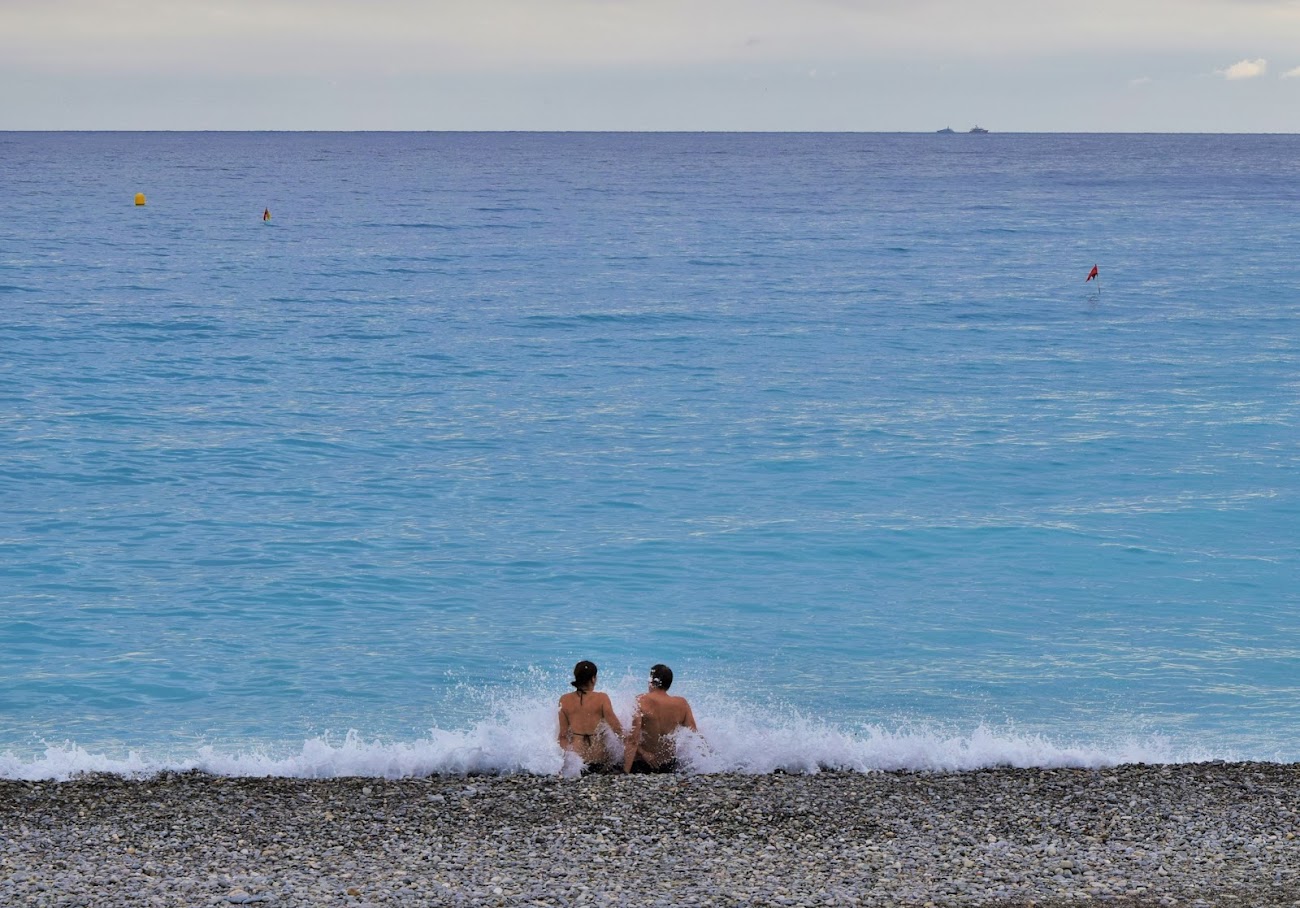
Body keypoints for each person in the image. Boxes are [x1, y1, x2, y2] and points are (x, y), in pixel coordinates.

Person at [624, 663, 697, 774]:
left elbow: (633, 739)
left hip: (643, 764)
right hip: (668, 765)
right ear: (669, 684)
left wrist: (626, 771)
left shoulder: (641, 700)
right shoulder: (682, 704)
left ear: (651, 681)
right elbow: (694, 735)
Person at [557, 660, 624, 773]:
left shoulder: (564, 700)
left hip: (577, 763)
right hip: (599, 759)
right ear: (593, 678)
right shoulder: (602, 698)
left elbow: (562, 737)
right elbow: (617, 729)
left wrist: (567, 761)